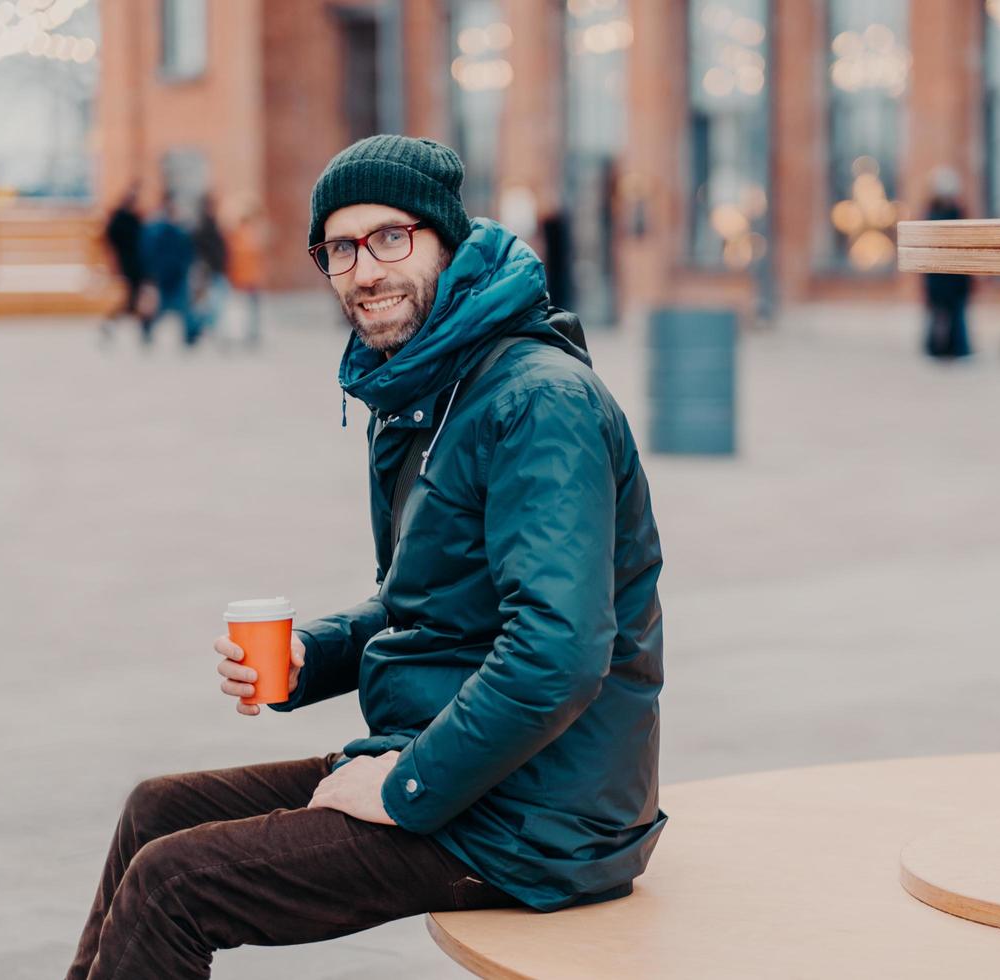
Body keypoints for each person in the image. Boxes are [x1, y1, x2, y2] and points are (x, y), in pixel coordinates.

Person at [67, 134, 667, 979]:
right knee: (154, 813)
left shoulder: (535, 402)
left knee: (176, 883)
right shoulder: (427, 385)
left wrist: (403, 788)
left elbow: (559, 655)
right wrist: (311, 657)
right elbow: (430, 597)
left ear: (447, 242)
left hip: (541, 817)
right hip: (463, 763)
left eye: (392, 237)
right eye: (340, 249)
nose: (365, 269)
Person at [921, 167, 973, 360]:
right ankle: (954, 348)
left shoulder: (932, 214)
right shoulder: (954, 214)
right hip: (949, 278)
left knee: (942, 314)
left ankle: (938, 348)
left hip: (941, 278)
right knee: (952, 314)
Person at [139, 193, 203, 347]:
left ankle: (189, 334)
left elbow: (187, 252)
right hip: (166, 275)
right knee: (168, 307)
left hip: (175, 275)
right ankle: (151, 328)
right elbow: (149, 252)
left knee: (181, 307)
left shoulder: (176, 229)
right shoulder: (160, 230)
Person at [99, 186, 149, 342]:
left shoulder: (129, 219)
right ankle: (142, 328)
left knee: (136, 298)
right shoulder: (123, 220)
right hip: (131, 264)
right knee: (134, 298)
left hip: (134, 263)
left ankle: (144, 328)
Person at [226, 203, 269, 347]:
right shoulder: (242, 236)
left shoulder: (243, 235)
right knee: (245, 308)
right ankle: (247, 334)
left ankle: (251, 334)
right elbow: (240, 259)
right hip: (244, 279)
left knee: (250, 308)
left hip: (249, 278)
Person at [191, 192, 230, 344]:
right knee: (212, 304)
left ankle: (204, 329)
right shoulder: (203, 226)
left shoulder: (212, 224)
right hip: (209, 271)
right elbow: (202, 249)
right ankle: (200, 329)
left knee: (214, 304)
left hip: (215, 270)